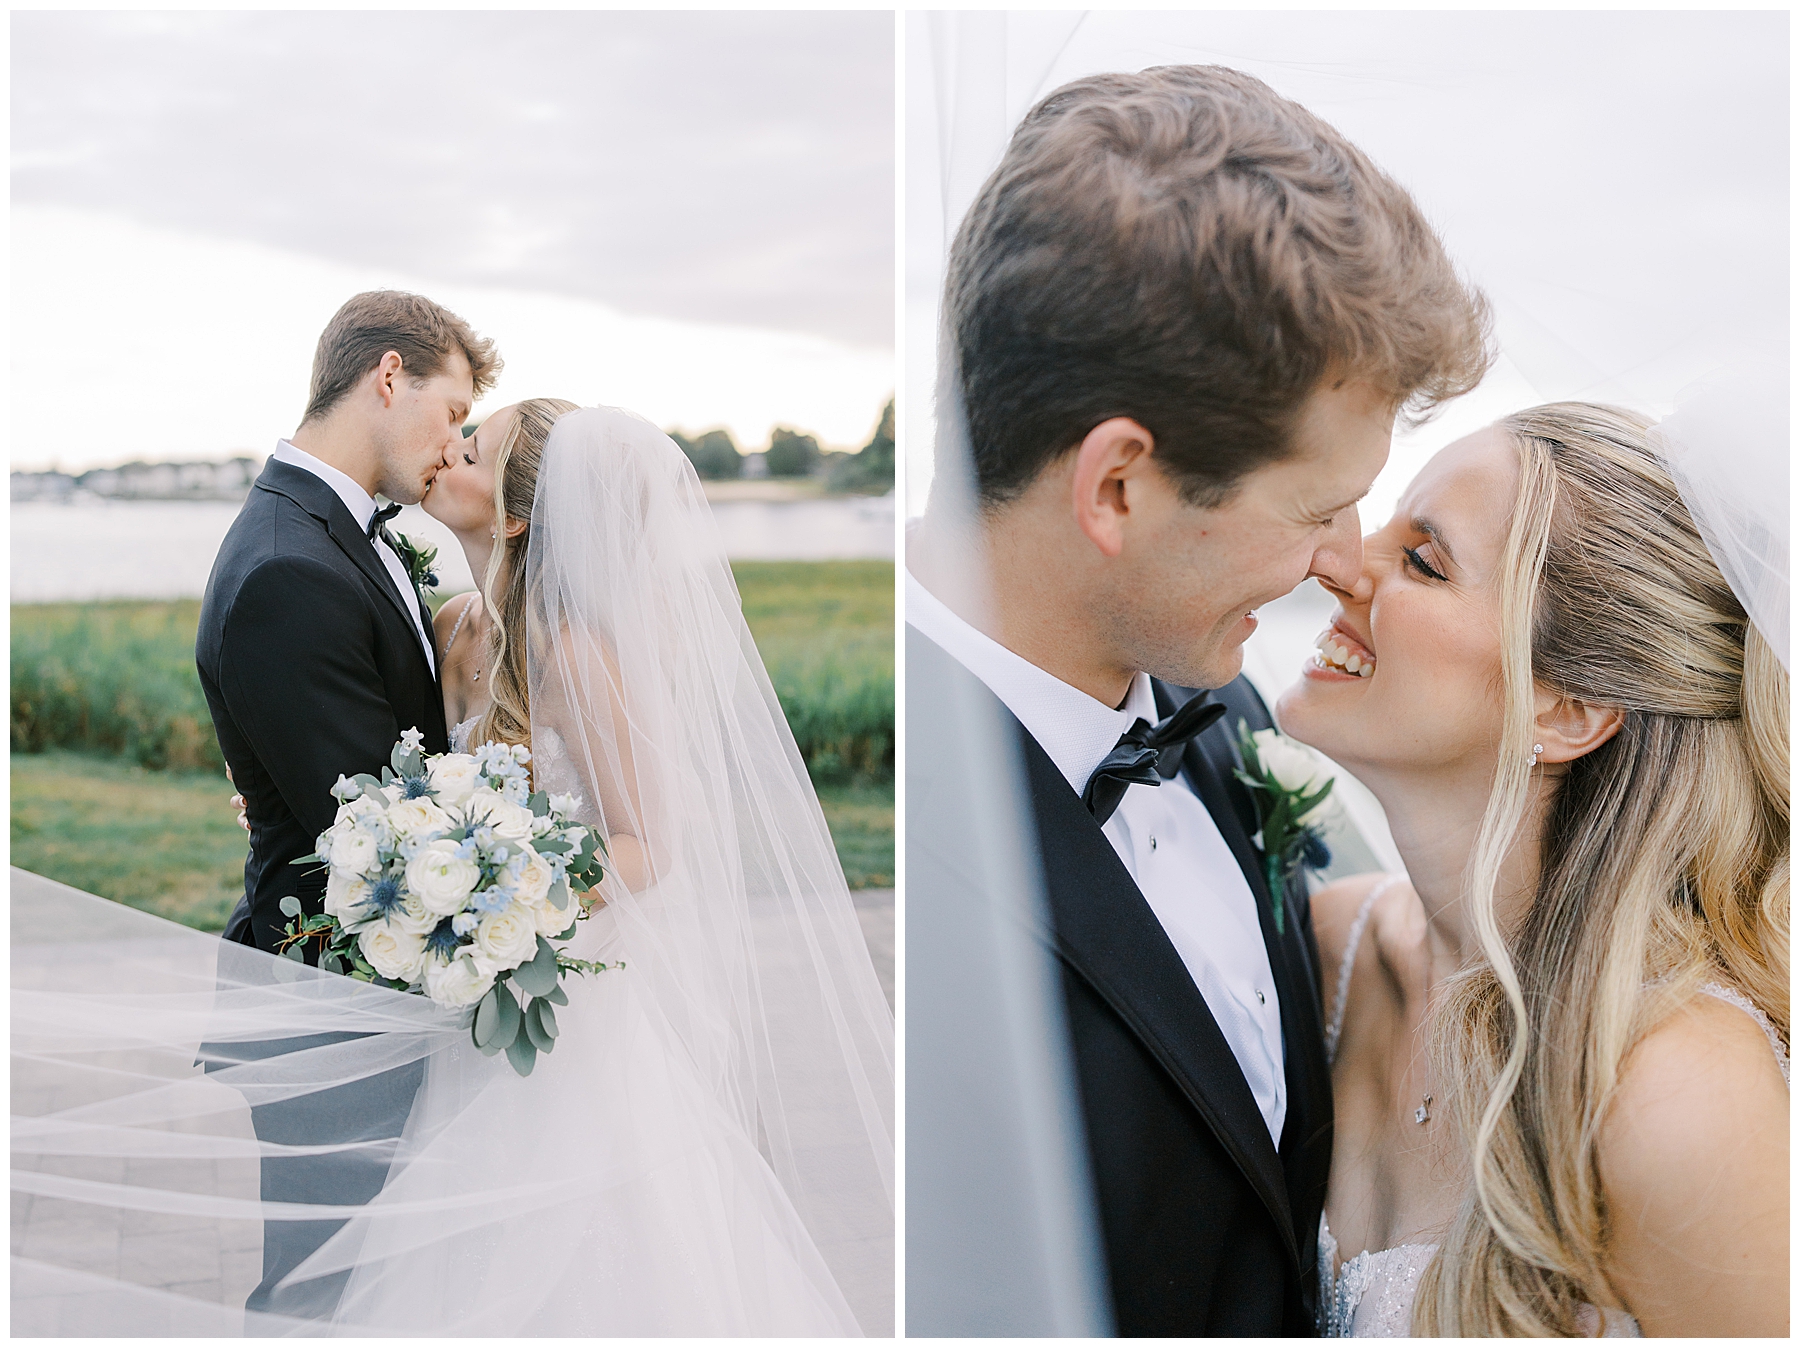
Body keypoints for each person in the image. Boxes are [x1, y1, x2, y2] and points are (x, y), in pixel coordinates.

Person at [907, 65, 1490, 1334]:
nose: (1347, 564)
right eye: (1317, 507)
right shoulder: (900, 865)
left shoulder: (1226, 712)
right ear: (1117, 487)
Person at [1279, 403, 1788, 1336]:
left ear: (1564, 713)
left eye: (1424, 561)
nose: (1339, 562)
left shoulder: (1671, 1089)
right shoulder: (1335, 951)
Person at [194, 289, 500, 1321]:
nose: (453, 443)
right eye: (451, 411)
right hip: (333, 1015)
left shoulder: (335, 534)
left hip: (372, 1006)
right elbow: (368, 831)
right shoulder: (291, 564)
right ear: (387, 376)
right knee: (324, 1299)